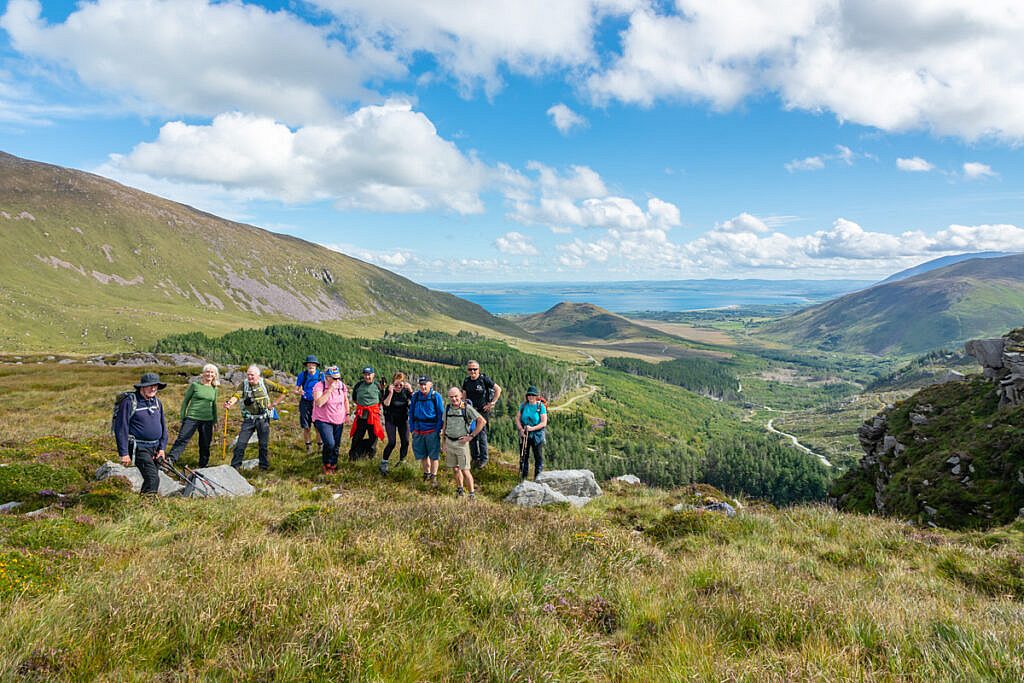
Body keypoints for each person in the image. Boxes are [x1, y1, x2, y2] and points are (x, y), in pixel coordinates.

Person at [225, 364, 289, 471]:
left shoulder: (265, 383)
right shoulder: (243, 385)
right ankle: (235, 467)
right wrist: (229, 403)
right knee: (241, 443)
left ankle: (263, 467)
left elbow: (284, 391)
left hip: (263, 419)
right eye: (248, 375)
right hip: (249, 419)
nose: (249, 377)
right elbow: (237, 395)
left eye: (252, 375)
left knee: (263, 444)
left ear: (258, 376)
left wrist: (273, 404)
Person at [114, 372, 168, 494]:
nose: (153, 388)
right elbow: (121, 428)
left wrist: (162, 448)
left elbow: (164, 426)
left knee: (151, 478)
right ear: (142, 387)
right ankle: (148, 506)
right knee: (153, 478)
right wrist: (123, 453)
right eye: (150, 386)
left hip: (155, 448)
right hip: (139, 448)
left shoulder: (157, 402)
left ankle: (144, 504)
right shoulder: (129, 402)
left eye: (156, 386)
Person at [167, 363, 219, 467]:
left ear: (215, 375)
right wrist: (183, 416)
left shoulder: (215, 389)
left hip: (207, 420)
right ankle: (170, 460)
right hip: (192, 417)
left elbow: (214, 405)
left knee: (205, 443)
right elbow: (186, 401)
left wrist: (215, 420)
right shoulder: (195, 385)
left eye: (211, 372)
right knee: (182, 439)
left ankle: (203, 464)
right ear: (203, 373)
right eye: (207, 371)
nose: (209, 374)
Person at [441, 387, 484, 499]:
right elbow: (445, 425)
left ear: (461, 395)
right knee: (455, 469)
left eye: (456, 396)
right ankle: (460, 490)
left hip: (461, 444)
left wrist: (471, 436)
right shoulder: (448, 408)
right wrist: (443, 443)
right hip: (449, 442)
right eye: (451, 397)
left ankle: (471, 495)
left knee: (465, 470)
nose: (454, 399)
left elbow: (482, 421)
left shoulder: (467, 408)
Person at [462, 360, 502, 469]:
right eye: (470, 369)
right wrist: (463, 407)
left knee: (482, 434)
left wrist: (492, 403)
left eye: (475, 369)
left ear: (478, 369)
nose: (473, 371)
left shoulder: (484, 379)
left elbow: (498, 389)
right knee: (472, 433)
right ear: (468, 370)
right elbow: (464, 394)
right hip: (471, 411)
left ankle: (484, 459)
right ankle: (475, 458)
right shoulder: (466, 381)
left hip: (482, 411)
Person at [408, 375, 444, 487]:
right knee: (422, 455)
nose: (423, 386)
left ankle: (434, 477)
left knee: (434, 456)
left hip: (432, 430)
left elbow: (440, 414)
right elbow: (411, 413)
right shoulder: (416, 396)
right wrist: (412, 429)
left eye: (425, 384)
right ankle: (426, 473)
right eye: (421, 384)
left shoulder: (435, 396)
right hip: (418, 430)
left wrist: (437, 430)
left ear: (430, 384)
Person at [312, 365, 348, 475]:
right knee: (330, 443)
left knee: (336, 445)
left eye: (338, 378)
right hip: (323, 419)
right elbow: (319, 402)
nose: (337, 380)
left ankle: (333, 465)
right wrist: (330, 390)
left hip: (339, 419)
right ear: (327, 377)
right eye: (334, 378)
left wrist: (347, 414)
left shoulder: (342, 386)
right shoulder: (319, 386)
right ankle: (326, 463)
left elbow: (345, 400)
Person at [379, 371, 413, 475]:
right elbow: (386, 404)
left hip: (403, 419)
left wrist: (411, 391)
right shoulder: (389, 391)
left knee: (406, 441)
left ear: (404, 384)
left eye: (401, 385)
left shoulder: (406, 392)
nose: (398, 387)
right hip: (391, 419)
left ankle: (402, 461)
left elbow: (414, 402)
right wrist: (390, 393)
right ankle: (384, 462)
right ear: (393, 384)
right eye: (396, 384)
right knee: (392, 442)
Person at [348, 366, 385, 460]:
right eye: (365, 374)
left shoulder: (378, 386)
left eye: (369, 375)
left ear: (373, 375)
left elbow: (381, 399)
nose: (367, 377)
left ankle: (370, 456)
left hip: (373, 416)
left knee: (373, 437)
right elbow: (355, 398)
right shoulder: (358, 385)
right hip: (361, 415)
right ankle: (353, 456)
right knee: (357, 436)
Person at [515, 386, 548, 481]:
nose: (530, 397)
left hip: (537, 435)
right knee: (524, 455)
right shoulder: (524, 405)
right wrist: (521, 429)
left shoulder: (540, 407)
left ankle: (538, 478)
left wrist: (532, 428)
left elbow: (543, 423)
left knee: (538, 457)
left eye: (533, 395)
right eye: (529, 395)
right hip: (525, 434)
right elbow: (517, 418)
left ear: (536, 396)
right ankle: (523, 477)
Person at [294, 355, 324, 454]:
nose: (311, 366)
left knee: (318, 427)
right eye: (309, 364)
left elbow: (325, 388)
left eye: (313, 364)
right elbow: (296, 389)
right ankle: (309, 447)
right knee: (306, 426)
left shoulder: (321, 375)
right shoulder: (302, 375)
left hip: (317, 403)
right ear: (306, 365)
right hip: (305, 403)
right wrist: (299, 392)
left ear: (316, 365)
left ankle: (320, 446)